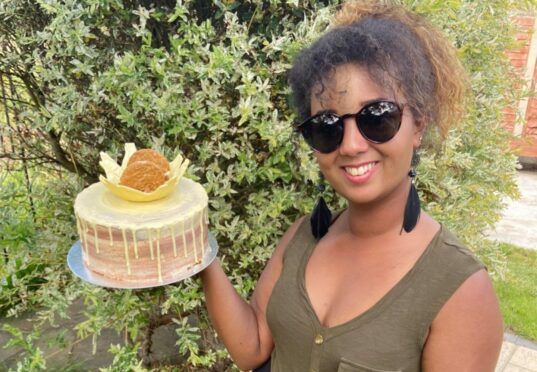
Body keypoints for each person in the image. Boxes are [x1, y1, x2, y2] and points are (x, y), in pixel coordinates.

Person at [200, 1, 504, 371]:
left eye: (376, 118)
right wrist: (199, 252)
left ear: (418, 126)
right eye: (328, 125)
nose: (350, 145)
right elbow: (254, 347)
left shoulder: (459, 288)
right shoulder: (304, 237)